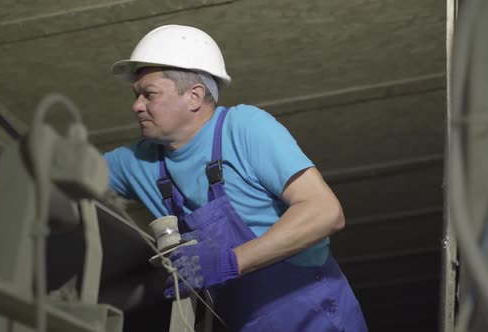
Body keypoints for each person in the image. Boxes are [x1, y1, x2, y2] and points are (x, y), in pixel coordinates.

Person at [104, 24, 367, 332]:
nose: (136, 106)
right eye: (136, 96)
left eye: (149, 94)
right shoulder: (138, 160)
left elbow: (325, 212)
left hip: (315, 321)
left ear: (194, 96)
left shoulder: (245, 128)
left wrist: (228, 262)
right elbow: (62, 174)